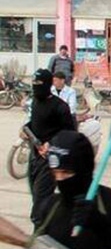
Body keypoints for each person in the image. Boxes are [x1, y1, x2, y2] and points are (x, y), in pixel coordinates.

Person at [26, 69, 75, 225]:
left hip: (50, 161)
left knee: (40, 204)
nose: (36, 88)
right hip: (34, 158)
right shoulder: (35, 102)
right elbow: (34, 124)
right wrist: (25, 129)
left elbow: (70, 134)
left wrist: (51, 143)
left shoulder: (60, 107)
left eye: (39, 85)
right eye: (34, 85)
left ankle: (40, 235)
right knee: (36, 197)